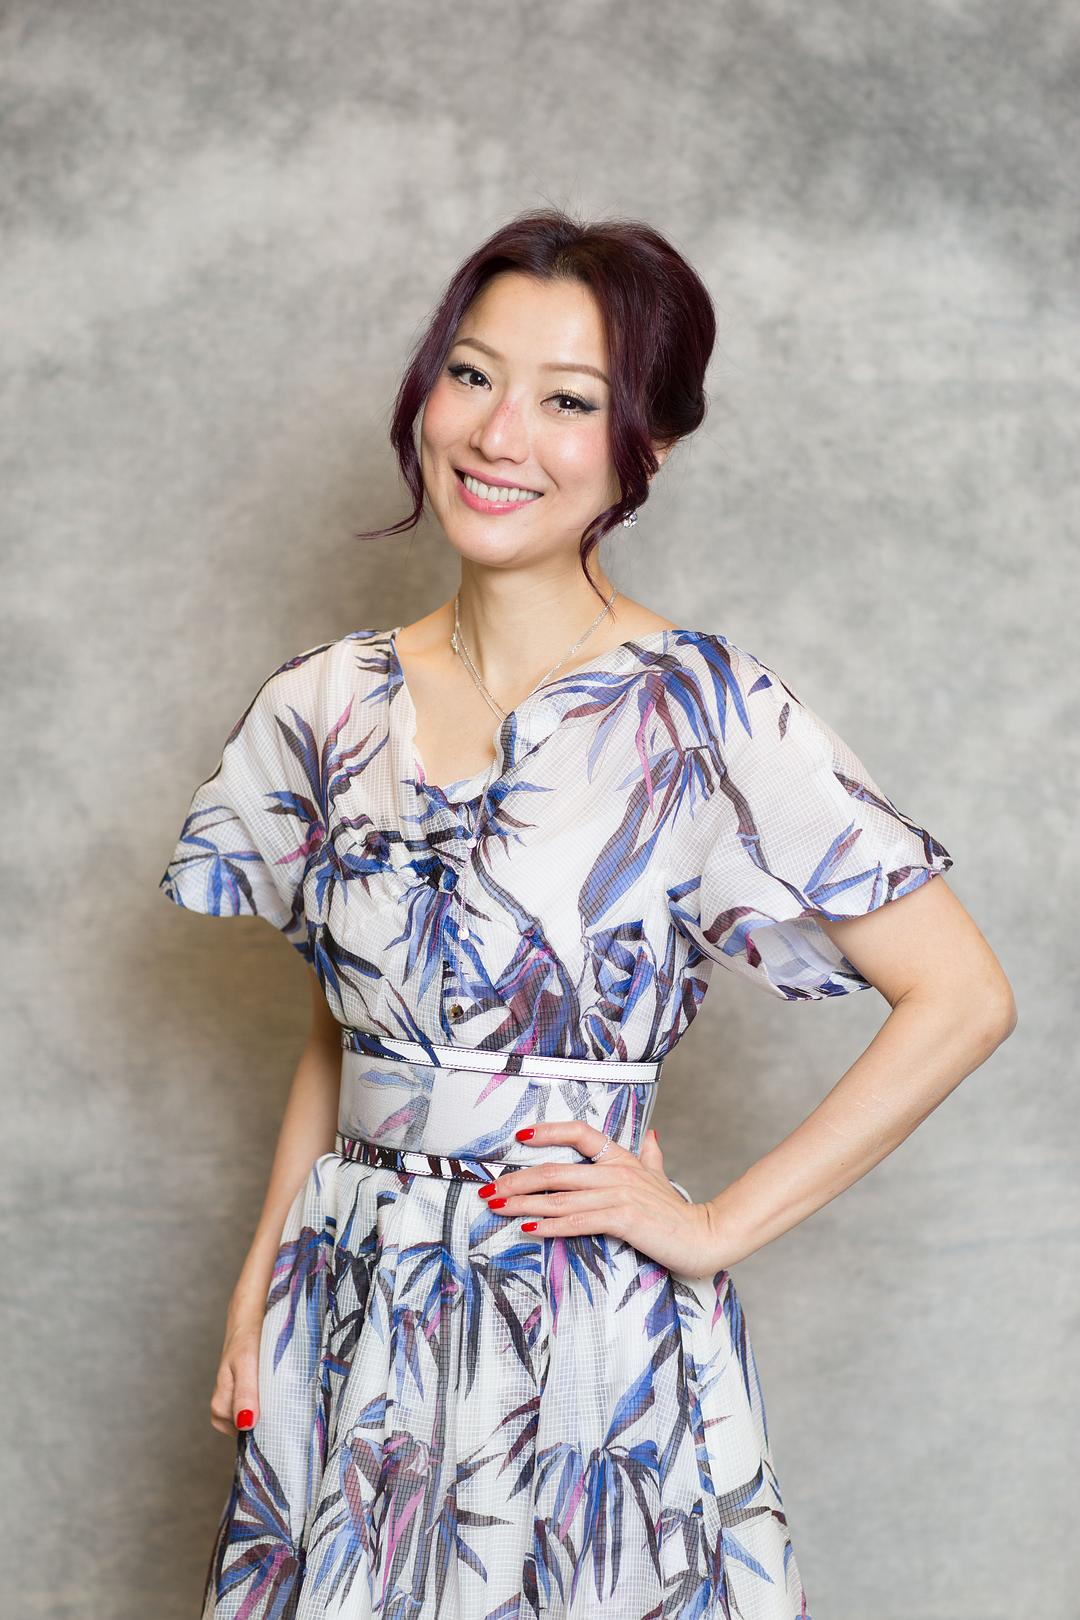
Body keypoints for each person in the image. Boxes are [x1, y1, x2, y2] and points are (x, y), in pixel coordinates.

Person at [160, 209, 1016, 1620]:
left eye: (569, 401)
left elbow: (965, 997)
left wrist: (715, 1224)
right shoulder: (323, 705)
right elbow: (349, 1025)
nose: (500, 434)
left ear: (646, 448)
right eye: (472, 375)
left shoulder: (701, 713)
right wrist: (262, 1283)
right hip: (349, 1308)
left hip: (578, 1333)